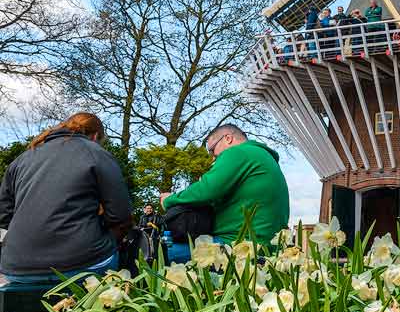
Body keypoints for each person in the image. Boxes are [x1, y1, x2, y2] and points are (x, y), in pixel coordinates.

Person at [0, 113, 132, 284]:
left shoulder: (22, 159)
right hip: (80, 263)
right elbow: (121, 216)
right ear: (95, 136)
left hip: (16, 267)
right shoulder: (97, 153)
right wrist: (109, 239)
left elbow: (3, 215)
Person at [161, 124, 289, 246]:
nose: (213, 158)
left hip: (237, 242)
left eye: (212, 150)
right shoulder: (262, 156)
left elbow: (207, 190)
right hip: (269, 244)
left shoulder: (238, 152)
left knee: (156, 251)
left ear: (228, 139)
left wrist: (169, 200)